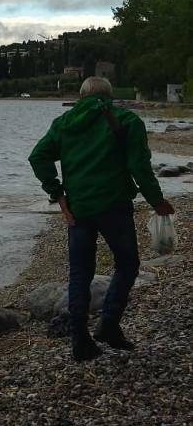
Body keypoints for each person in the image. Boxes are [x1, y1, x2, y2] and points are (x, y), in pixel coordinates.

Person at [28, 76, 174, 362]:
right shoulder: (126, 120)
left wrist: (58, 195)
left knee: (80, 273)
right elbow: (139, 166)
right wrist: (157, 201)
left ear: (81, 96)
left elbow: (38, 157)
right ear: (109, 95)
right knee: (128, 264)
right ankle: (108, 323)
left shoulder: (64, 124)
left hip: (78, 210)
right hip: (114, 206)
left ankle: (80, 339)